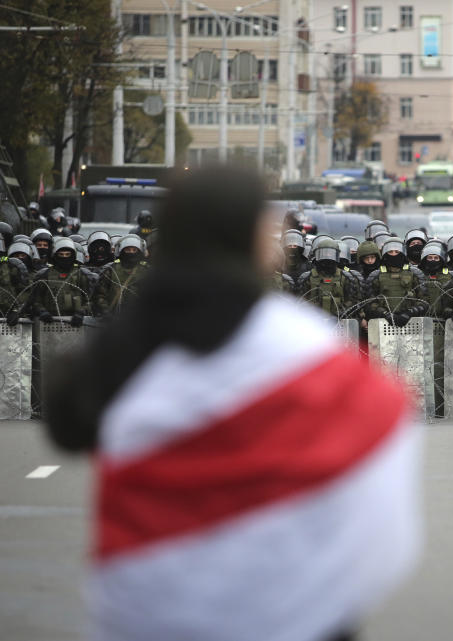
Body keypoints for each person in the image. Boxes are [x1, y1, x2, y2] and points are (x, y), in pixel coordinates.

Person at [43, 165, 421, 641]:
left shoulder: (135, 337)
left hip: (161, 608)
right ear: (252, 239)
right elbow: (377, 442)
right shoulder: (299, 338)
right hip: (293, 605)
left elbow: (67, 422)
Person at [21, 237, 91, 325]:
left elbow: (91, 299)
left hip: (76, 321)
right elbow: (35, 299)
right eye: (61, 255)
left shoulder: (81, 274)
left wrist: (81, 312)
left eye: (67, 254)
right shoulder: (45, 274)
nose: (64, 257)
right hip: (50, 322)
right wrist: (42, 311)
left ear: (73, 255)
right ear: (55, 255)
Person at [364, 236, 427, 327]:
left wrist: (409, 313)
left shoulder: (415, 273)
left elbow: (424, 301)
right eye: (390, 252)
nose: (394, 254)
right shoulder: (376, 275)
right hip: (383, 323)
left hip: (411, 323)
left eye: (397, 252)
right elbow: (369, 303)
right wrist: (385, 314)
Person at [297, 238, 359, 318]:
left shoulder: (345, 277)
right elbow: (300, 301)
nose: (328, 257)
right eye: (324, 253)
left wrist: (341, 312)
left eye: (331, 254)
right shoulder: (307, 277)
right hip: (313, 322)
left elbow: (352, 300)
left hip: (339, 320)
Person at [92, 235, 150, 317]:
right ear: (121, 251)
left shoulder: (146, 271)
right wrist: (105, 310)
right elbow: (100, 294)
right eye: (128, 250)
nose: (131, 253)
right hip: (114, 317)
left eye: (134, 250)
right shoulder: (111, 270)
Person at [419, 240, 453, 318]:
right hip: (425, 316)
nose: (433, 260)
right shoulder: (420, 275)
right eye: (430, 257)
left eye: (436, 258)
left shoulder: (450, 275)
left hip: (445, 318)